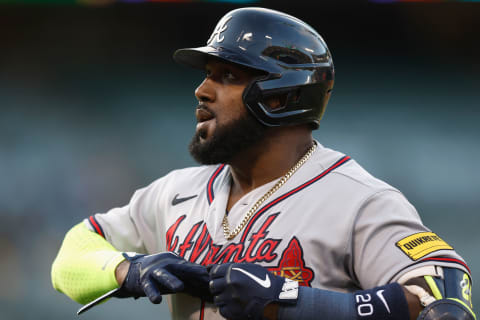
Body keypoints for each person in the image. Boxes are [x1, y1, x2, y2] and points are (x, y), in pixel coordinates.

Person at [51, 7, 475, 320]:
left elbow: (449, 303)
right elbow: (71, 255)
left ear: (281, 95)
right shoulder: (175, 192)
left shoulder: (359, 202)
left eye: (228, 76)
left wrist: (291, 301)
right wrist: (128, 269)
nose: (201, 90)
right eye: (206, 74)